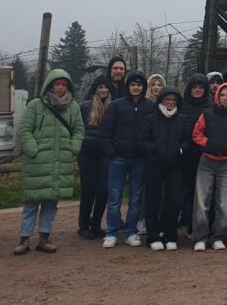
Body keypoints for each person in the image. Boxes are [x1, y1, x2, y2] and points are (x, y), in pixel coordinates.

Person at [14, 69, 84, 255]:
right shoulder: (36, 105)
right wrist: (32, 150)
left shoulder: (73, 107)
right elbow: (25, 129)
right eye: (57, 84)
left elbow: (79, 131)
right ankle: (24, 239)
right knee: (31, 203)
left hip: (60, 160)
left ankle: (44, 238)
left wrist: (73, 148)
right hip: (37, 161)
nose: (60, 87)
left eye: (63, 84)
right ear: (50, 85)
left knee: (51, 203)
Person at [191, 81, 227, 251]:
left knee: (224, 203)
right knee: (202, 201)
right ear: (217, 96)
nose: (225, 98)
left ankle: (219, 236)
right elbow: (197, 134)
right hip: (207, 161)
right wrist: (209, 144)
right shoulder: (206, 114)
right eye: (222, 95)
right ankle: (201, 236)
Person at [100, 72, 150, 248]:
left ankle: (131, 231)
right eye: (133, 85)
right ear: (128, 87)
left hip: (139, 159)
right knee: (114, 197)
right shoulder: (116, 106)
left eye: (139, 85)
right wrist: (110, 151)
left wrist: (147, 152)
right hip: (118, 158)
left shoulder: (150, 106)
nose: (136, 88)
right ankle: (112, 232)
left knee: (135, 198)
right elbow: (105, 130)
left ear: (144, 87)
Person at [138, 87, 191, 251]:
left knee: (174, 200)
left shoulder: (182, 119)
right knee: (153, 200)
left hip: (174, 165)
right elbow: (141, 141)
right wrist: (155, 150)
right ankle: (153, 236)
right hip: (154, 164)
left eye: (174, 100)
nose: (170, 103)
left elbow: (188, 140)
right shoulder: (150, 119)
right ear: (161, 100)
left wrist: (180, 150)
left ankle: (170, 234)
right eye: (167, 99)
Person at [77, 75, 112, 239]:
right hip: (87, 154)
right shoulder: (85, 107)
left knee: (103, 191)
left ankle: (96, 223)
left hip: (105, 154)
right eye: (100, 87)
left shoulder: (113, 107)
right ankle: (83, 225)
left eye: (106, 87)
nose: (104, 90)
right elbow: (77, 128)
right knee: (88, 191)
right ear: (95, 89)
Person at [179, 73, 212, 234]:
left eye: (201, 87)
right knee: (184, 188)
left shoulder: (210, 105)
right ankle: (183, 216)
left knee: (200, 191)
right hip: (184, 152)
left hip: (202, 153)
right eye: (195, 87)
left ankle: (195, 223)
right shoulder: (182, 104)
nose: (198, 90)